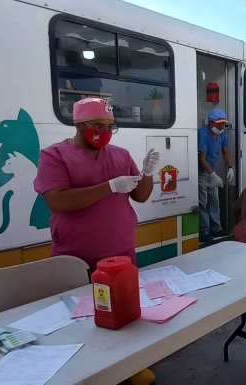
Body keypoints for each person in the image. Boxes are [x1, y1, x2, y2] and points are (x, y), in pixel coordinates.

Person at [34, 97, 159, 385]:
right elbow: (58, 202)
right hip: (77, 256)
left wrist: (148, 175)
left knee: (127, 312)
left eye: (109, 126)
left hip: (121, 250)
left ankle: (131, 365)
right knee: (82, 320)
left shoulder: (120, 155)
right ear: (78, 125)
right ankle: (86, 374)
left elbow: (139, 196)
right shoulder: (55, 156)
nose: (103, 131)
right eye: (97, 125)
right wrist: (109, 186)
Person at [198, 108, 234, 243]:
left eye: (223, 123)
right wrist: (212, 174)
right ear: (211, 123)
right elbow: (201, 158)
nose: (221, 126)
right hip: (201, 172)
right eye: (219, 124)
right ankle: (204, 231)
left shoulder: (222, 134)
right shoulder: (203, 134)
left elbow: (225, 151)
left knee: (214, 200)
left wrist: (230, 167)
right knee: (203, 202)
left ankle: (216, 228)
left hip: (210, 170)